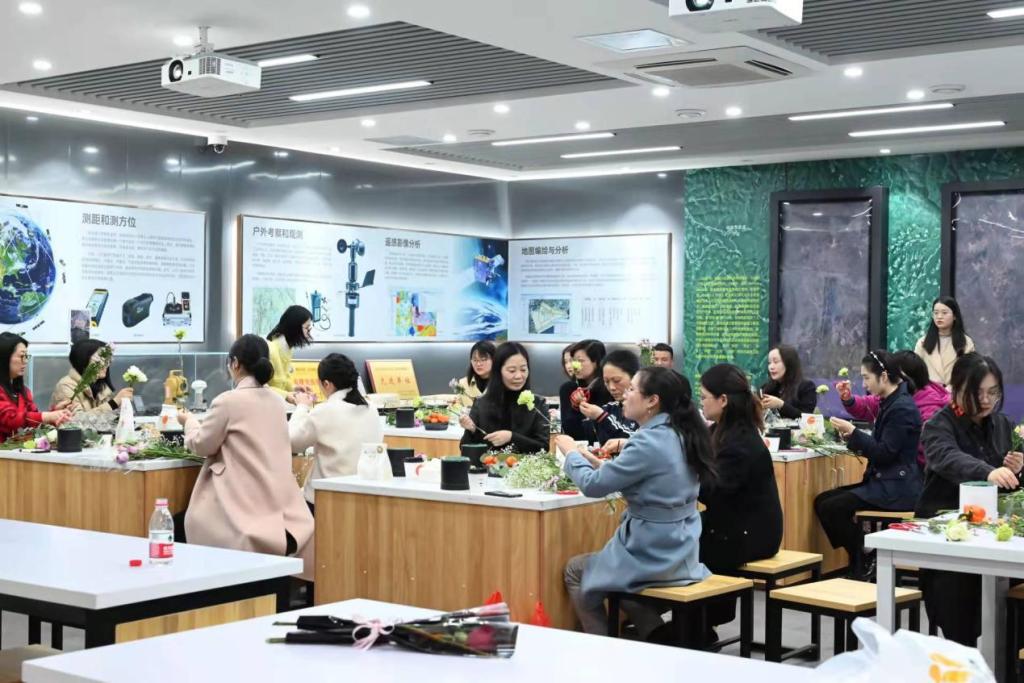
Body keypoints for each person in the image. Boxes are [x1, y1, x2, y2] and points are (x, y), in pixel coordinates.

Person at [558, 367, 715, 640]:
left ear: (652, 400)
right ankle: (655, 634)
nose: (624, 395)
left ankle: (601, 647)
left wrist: (571, 454)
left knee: (576, 570)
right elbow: (650, 483)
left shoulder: (646, 440)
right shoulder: (682, 432)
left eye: (631, 389)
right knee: (617, 584)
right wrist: (598, 464)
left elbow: (593, 486)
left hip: (652, 551)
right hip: (684, 548)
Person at [179, 334, 314, 580]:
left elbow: (201, 445)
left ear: (235, 363)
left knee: (189, 521)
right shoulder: (276, 402)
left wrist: (189, 422)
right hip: (282, 513)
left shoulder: (228, 401)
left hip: (240, 509)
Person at [916, 353, 1021, 646]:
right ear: (957, 388)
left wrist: (1017, 470)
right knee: (957, 604)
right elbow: (947, 457)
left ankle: (1008, 661)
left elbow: (1012, 487)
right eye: (977, 393)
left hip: (994, 533)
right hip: (947, 533)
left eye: (993, 392)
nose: (986, 400)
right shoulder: (938, 425)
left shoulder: (1002, 424)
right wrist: (989, 472)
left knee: (1013, 604)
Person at [815, 350, 923, 579]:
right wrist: (851, 436)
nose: (863, 384)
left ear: (883, 376)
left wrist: (854, 432)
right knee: (823, 501)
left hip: (897, 489)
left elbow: (884, 453)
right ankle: (864, 554)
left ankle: (863, 558)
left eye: (866, 378)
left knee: (830, 507)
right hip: (885, 483)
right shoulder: (891, 402)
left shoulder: (901, 408)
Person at [698, 364, 783, 573]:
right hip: (732, 521)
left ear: (723, 400)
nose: (700, 403)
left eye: (703, 397)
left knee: (678, 541)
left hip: (751, 533)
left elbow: (713, 493)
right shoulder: (721, 430)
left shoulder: (739, 442)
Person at [289, 353, 382, 514]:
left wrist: (302, 407)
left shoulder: (325, 411)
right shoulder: (371, 408)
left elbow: (292, 441)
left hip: (326, 500)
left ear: (327, 384)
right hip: (365, 497)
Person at [837, 350, 949, 468]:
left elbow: (888, 451)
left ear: (905, 378)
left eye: (894, 374)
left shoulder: (922, 408)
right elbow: (870, 404)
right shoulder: (894, 397)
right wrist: (849, 400)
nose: (890, 378)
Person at [459, 342, 549, 452]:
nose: (519, 376)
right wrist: (472, 431)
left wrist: (511, 437)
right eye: (512, 370)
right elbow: (464, 448)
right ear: (498, 371)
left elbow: (543, 448)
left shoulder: (538, 404)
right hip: (489, 463)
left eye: (523, 370)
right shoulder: (481, 403)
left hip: (526, 464)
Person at [0, 333, 71, 440]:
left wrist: (55, 413)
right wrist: (47, 416)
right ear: (4, 358)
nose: (25, 361)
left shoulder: (23, 391)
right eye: (21, 356)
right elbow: (10, 420)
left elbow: (32, 422)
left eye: (26, 356)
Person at [577, 350, 640, 453]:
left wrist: (601, 417)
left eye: (616, 380)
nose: (611, 387)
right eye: (606, 382)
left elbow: (635, 443)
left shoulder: (646, 412)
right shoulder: (609, 408)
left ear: (635, 377)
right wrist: (579, 406)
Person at [50, 339, 133, 415]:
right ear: (83, 360)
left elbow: (108, 420)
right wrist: (114, 402)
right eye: (99, 361)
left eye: (107, 360)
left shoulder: (101, 386)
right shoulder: (66, 386)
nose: (105, 365)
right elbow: (76, 421)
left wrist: (121, 405)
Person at [558, 339, 612, 442]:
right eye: (574, 361)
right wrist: (576, 407)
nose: (575, 366)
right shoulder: (568, 388)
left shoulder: (609, 388)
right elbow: (569, 430)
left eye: (580, 361)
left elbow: (612, 429)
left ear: (596, 361)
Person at [914, 296, 975, 386]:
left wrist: (952, 388)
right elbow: (915, 371)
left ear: (954, 316)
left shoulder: (966, 342)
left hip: (956, 391)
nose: (939, 317)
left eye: (944, 313)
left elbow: (969, 372)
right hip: (929, 393)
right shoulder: (923, 342)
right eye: (936, 313)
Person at [266, 305, 314, 404]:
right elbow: (260, 387)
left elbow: (282, 382)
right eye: (306, 328)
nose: (308, 333)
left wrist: (294, 388)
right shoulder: (271, 350)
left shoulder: (287, 349)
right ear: (295, 327)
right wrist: (286, 395)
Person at [760, 345, 817, 418]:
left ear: (789, 363)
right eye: (769, 363)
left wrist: (781, 405)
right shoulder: (767, 387)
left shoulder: (807, 386)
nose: (771, 367)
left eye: (776, 362)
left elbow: (807, 417)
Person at [456, 341, 495, 407]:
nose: (478, 364)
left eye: (483, 360)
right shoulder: (463, 384)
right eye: (475, 360)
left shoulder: (503, 383)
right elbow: (458, 407)